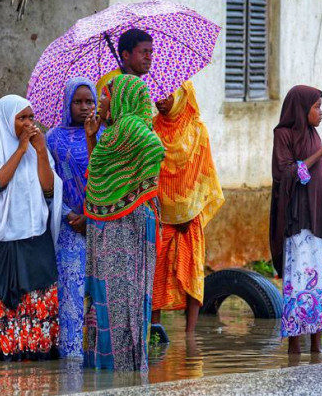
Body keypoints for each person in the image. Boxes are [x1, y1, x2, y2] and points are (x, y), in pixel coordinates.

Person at [82, 74, 165, 371]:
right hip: (115, 223)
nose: (100, 101)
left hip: (128, 225)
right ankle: (119, 367)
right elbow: (99, 176)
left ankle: (118, 367)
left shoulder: (129, 127)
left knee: (121, 293)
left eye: (106, 95)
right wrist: (92, 136)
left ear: (121, 99)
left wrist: (135, 184)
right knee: (115, 294)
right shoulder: (114, 131)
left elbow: (156, 149)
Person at [0, 95, 63, 361]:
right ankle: (11, 364)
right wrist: (21, 149)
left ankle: (40, 363)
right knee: (9, 302)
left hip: (37, 238)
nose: (27, 123)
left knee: (41, 299)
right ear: (6, 119)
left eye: (30, 118)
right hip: (7, 242)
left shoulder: (39, 149)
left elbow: (49, 190)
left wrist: (39, 152)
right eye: (21, 118)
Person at [269, 85, 322, 354]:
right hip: (297, 221)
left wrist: (319, 151)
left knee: (319, 283)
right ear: (302, 109)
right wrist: (319, 154)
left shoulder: (314, 134)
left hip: (318, 220)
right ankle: (294, 349)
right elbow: (286, 173)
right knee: (299, 281)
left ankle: (316, 347)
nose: (321, 112)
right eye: (317, 107)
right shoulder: (284, 134)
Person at [151, 82, 225, 333]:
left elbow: (205, 174)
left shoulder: (197, 131)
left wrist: (189, 210)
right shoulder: (150, 128)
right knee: (156, 274)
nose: (159, 101)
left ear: (182, 96)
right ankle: (154, 329)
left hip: (189, 218)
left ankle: (190, 335)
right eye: (156, 96)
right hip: (159, 216)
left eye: (165, 95)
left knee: (193, 273)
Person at [45, 77, 100, 359]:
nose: (84, 107)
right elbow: (47, 184)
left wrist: (91, 215)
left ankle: (98, 356)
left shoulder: (104, 135)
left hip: (101, 226)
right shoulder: (52, 138)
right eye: (77, 101)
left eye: (89, 101)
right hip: (68, 226)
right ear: (68, 103)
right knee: (71, 293)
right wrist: (70, 215)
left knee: (99, 296)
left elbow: (109, 179)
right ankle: (71, 359)